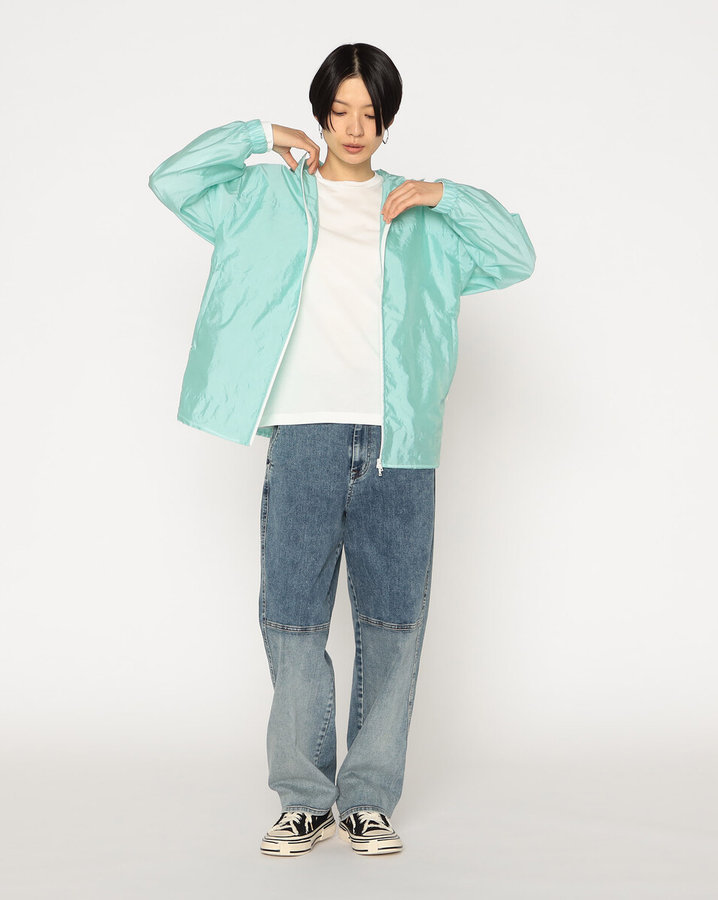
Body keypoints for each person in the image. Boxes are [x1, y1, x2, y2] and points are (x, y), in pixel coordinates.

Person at [148, 42, 536, 858]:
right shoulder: (266, 196)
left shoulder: (418, 209)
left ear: (388, 122)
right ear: (321, 113)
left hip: (400, 441)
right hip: (304, 432)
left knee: (394, 623)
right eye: (340, 110)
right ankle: (303, 798)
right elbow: (172, 180)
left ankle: (366, 799)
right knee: (292, 619)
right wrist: (259, 135)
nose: (355, 127)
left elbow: (515, 256)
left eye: (371, 113)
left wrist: (451, 195)